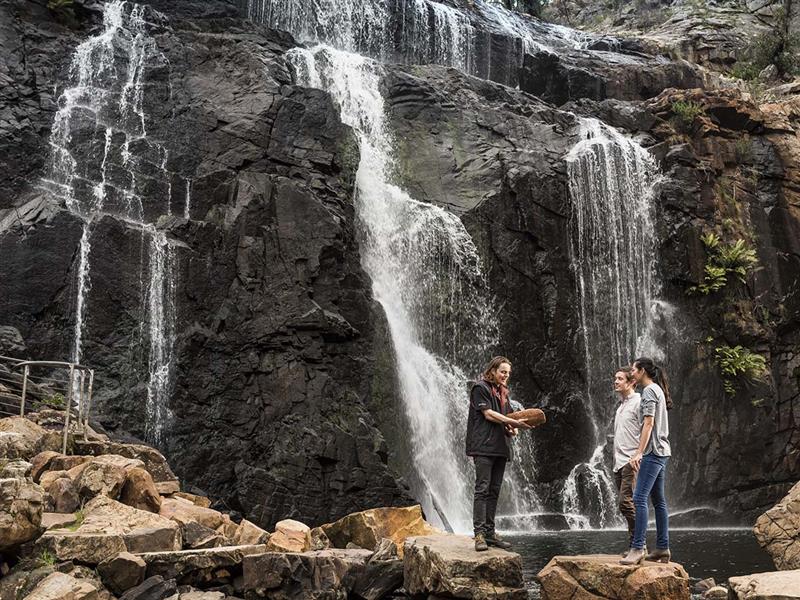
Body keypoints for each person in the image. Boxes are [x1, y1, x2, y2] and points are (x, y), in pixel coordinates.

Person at [466, 356, 532, 552]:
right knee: (482, 488)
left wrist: (515, 428)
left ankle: (489, 532)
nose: (506, 376)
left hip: (500, 448)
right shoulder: (480, 388)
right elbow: (488, 414)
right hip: (483, 447)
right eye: (503, 372)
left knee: (494, 490)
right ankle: (479, 534)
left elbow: (511, 418)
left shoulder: (503, 394)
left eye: (508, 373)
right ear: (493, 370)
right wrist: (511, 422)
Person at [621, 357, 673, 565]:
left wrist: (638, 453)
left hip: (653, 452)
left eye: (633, 369)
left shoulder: (649, 391)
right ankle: (662, 547)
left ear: (642, 371)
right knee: (659, 501)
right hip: (662, 450)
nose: (631, 373)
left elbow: (649, 423)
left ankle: (637, 547)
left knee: (639, 498)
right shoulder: (657, 390)